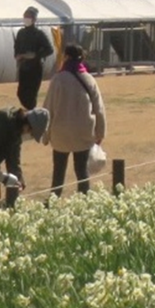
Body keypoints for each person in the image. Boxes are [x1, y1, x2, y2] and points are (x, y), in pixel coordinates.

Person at [44, 43, 107, 196]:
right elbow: (99, 109)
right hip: (83, 131)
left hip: (60, 132)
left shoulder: (58, 79)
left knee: (58, 171)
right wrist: (100, 132)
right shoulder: (89, 79)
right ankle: (84, 200)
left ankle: (53, 199)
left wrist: (45, 134)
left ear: (65, 56)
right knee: (82, 171)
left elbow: (48, 108)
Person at [13, 7, 55, 111]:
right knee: (21, 93)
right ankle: (31, 112)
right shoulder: (21, 33)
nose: (26, 19)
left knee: (31, 95)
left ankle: (32, 115)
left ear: (34, 19)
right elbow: (16, 46)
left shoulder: (39, 34)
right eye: (25, 16)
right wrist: (18, 55)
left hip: (35, 68)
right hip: (24, 67)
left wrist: (36, 55)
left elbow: (49, 49)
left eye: (29, 17)